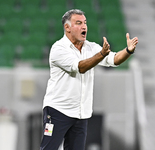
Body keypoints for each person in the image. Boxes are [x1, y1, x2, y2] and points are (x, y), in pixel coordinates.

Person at [40, 9, 138, 150]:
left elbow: (114, 60)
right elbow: (80, 67)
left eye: (85, 23)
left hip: (80, 114)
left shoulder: (91, 47)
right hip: (58, 111)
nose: (84, 26)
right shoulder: (58, 49)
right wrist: (101, 54)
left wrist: (128, 51)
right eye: (78, 23)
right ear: (67, 27)